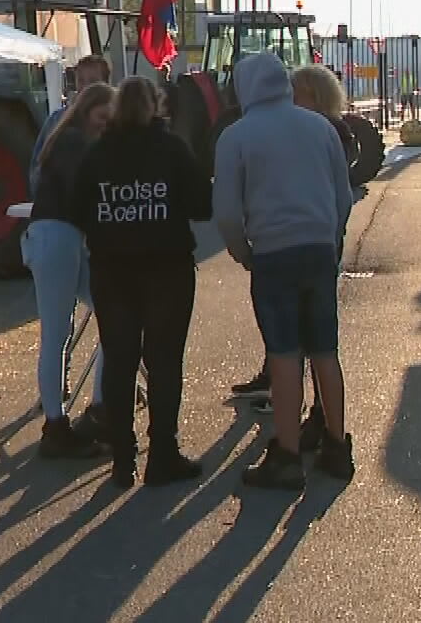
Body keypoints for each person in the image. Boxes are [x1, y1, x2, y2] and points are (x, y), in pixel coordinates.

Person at [213, 52, 355, 490]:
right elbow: (343, 196)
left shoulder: (236, 137)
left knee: (285, 354)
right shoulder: (321, 128)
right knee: (324, 351)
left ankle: (288, 454)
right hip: (318, 249)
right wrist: (330, 238)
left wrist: (243, 253)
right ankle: (336, 445)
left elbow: (228, 213)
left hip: (273, 254)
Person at [69, 76, 211, 489]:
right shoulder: (171, 150)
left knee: (119, 361)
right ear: (156, 105)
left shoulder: (97, 155)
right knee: (164, 361)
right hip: (167, 268)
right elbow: (201, 204)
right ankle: (162, 455)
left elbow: (77, 211)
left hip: (112, 270)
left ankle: (122, 460)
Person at [26, 81, 115, 459]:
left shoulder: (69, 140)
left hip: (56, 236)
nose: (107, 123)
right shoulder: (76, 143)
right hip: (58, 236)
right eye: (103, 115)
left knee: (109, 316)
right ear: (88, 110)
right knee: (58, 333)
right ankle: (58, 424)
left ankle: (92, 410)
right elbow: (88, 195)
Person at [31, 54, 110, 190]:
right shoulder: (56, 119)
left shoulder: (114, 120)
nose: (85, 87)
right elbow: (38, 166)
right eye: (81, 80)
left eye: (92, 81)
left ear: (105, 83)